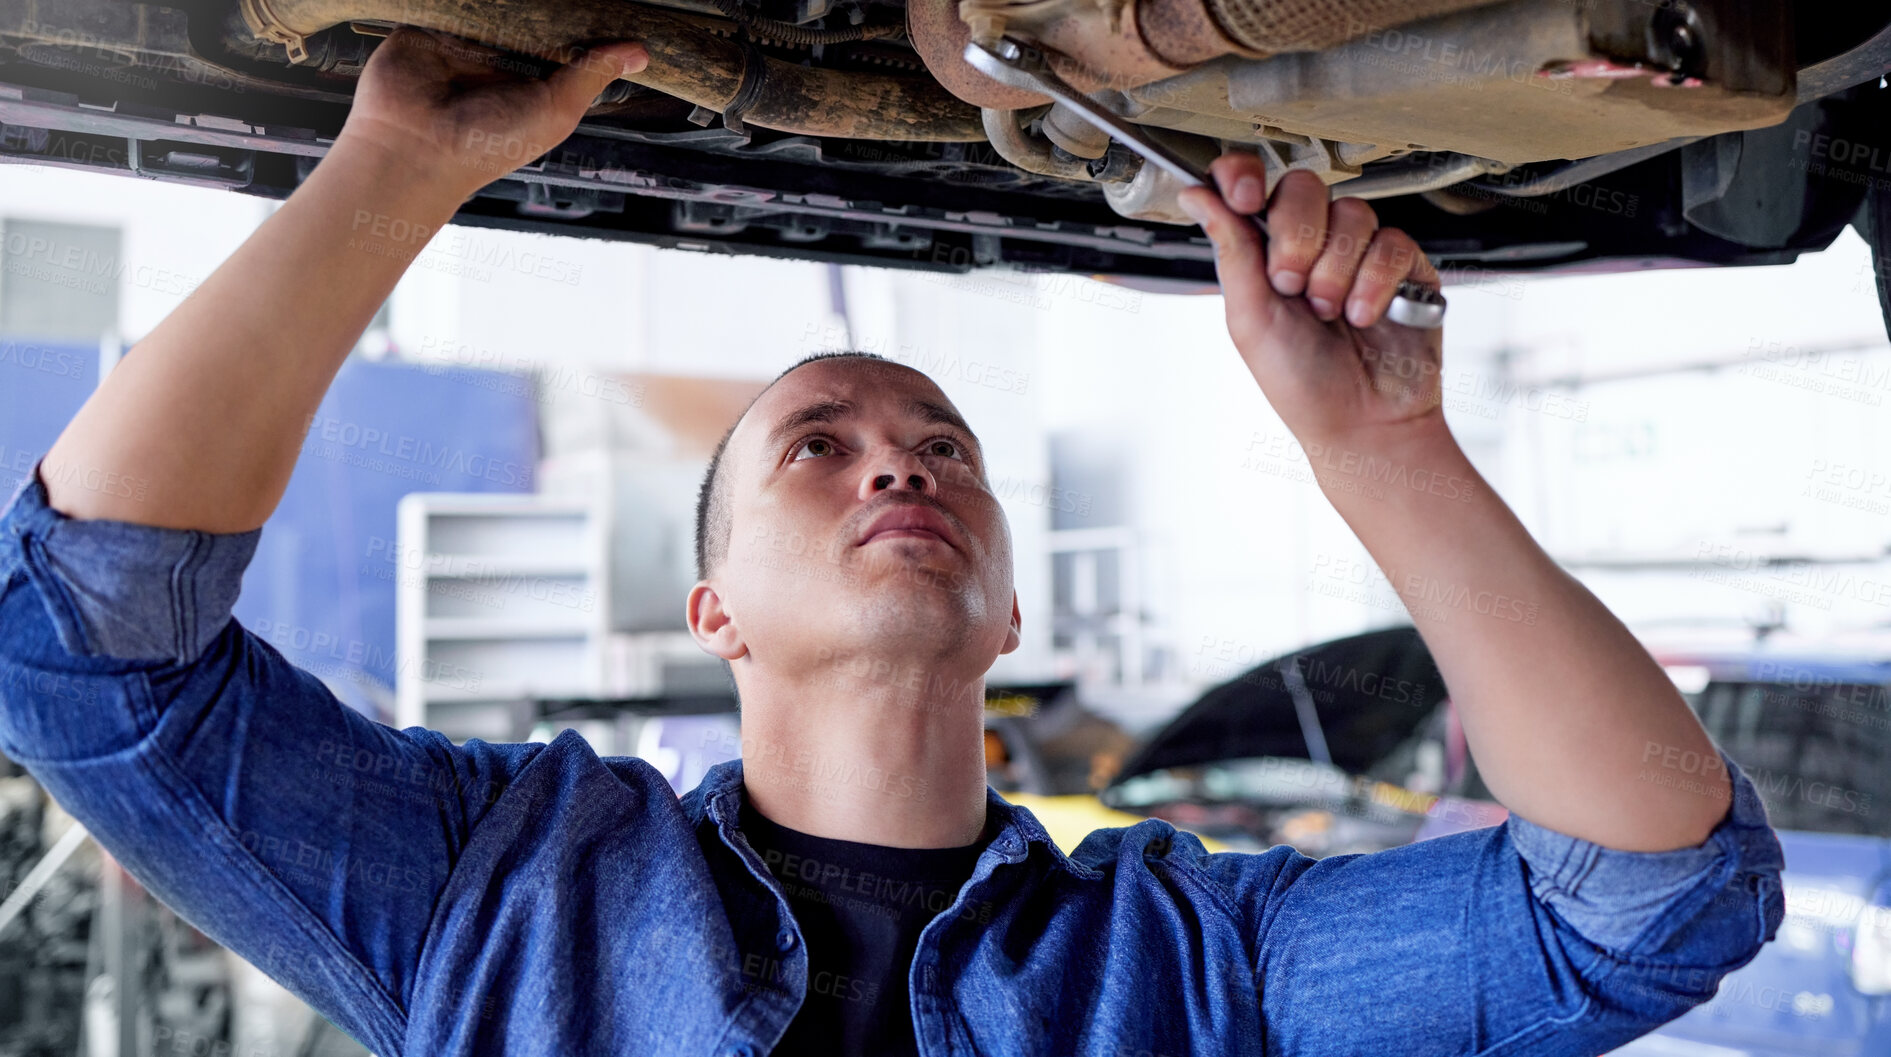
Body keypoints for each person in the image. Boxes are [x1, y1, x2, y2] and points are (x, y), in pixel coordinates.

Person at [0, 24, 1782, 1057]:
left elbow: (1646, 895)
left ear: (1009, 600)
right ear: (716, 610)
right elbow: (78, 650)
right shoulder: (496, 888)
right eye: (819, 445)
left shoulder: (1190, 962)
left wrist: (1383, 445)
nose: (896, 467)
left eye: (942, 447)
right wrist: (393, 162)